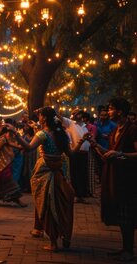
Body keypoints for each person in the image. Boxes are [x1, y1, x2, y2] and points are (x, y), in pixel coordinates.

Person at [10, 107, 85, 252]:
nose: (38, 118)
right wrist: (81, 142)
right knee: (60, 204)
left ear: (44, 118)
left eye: (40, 115)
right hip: (59, 171)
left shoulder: (42, 134)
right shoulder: (61, 133)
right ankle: (64, 237)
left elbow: (29, 148)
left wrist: (15, 134)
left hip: (45, 171)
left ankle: (53, 243)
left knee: (47, 205)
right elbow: (71, 153)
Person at [89, 98, 137, 262]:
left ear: (120, 111)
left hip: (129, 179)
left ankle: (129, 250)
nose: (108, 112)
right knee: (121, 215)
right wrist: (94, 144)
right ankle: (125, 248)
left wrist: (121, 154)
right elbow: (108, 154)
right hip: (115, 177)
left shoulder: (132, 130)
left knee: (128, 215)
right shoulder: (115, 131)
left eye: (111, 109)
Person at [0, 127, 27, 207]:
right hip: (1, 165)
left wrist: (21, 146)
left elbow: (12, 145)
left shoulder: (5, 139)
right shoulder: (2, 139)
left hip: (5, 163)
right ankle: (17, 200)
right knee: (6, 180)